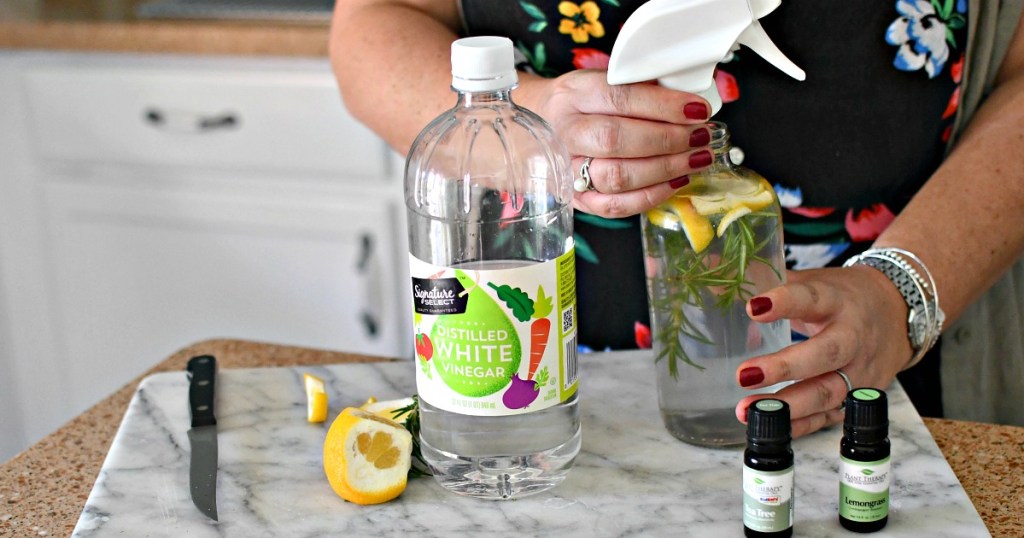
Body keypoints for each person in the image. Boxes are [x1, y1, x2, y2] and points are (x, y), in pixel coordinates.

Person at [330, 0, 1024, 436]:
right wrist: (528, 129)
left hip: (892, 368)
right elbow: (372, 21)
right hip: (539, 389)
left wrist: (903, 292)